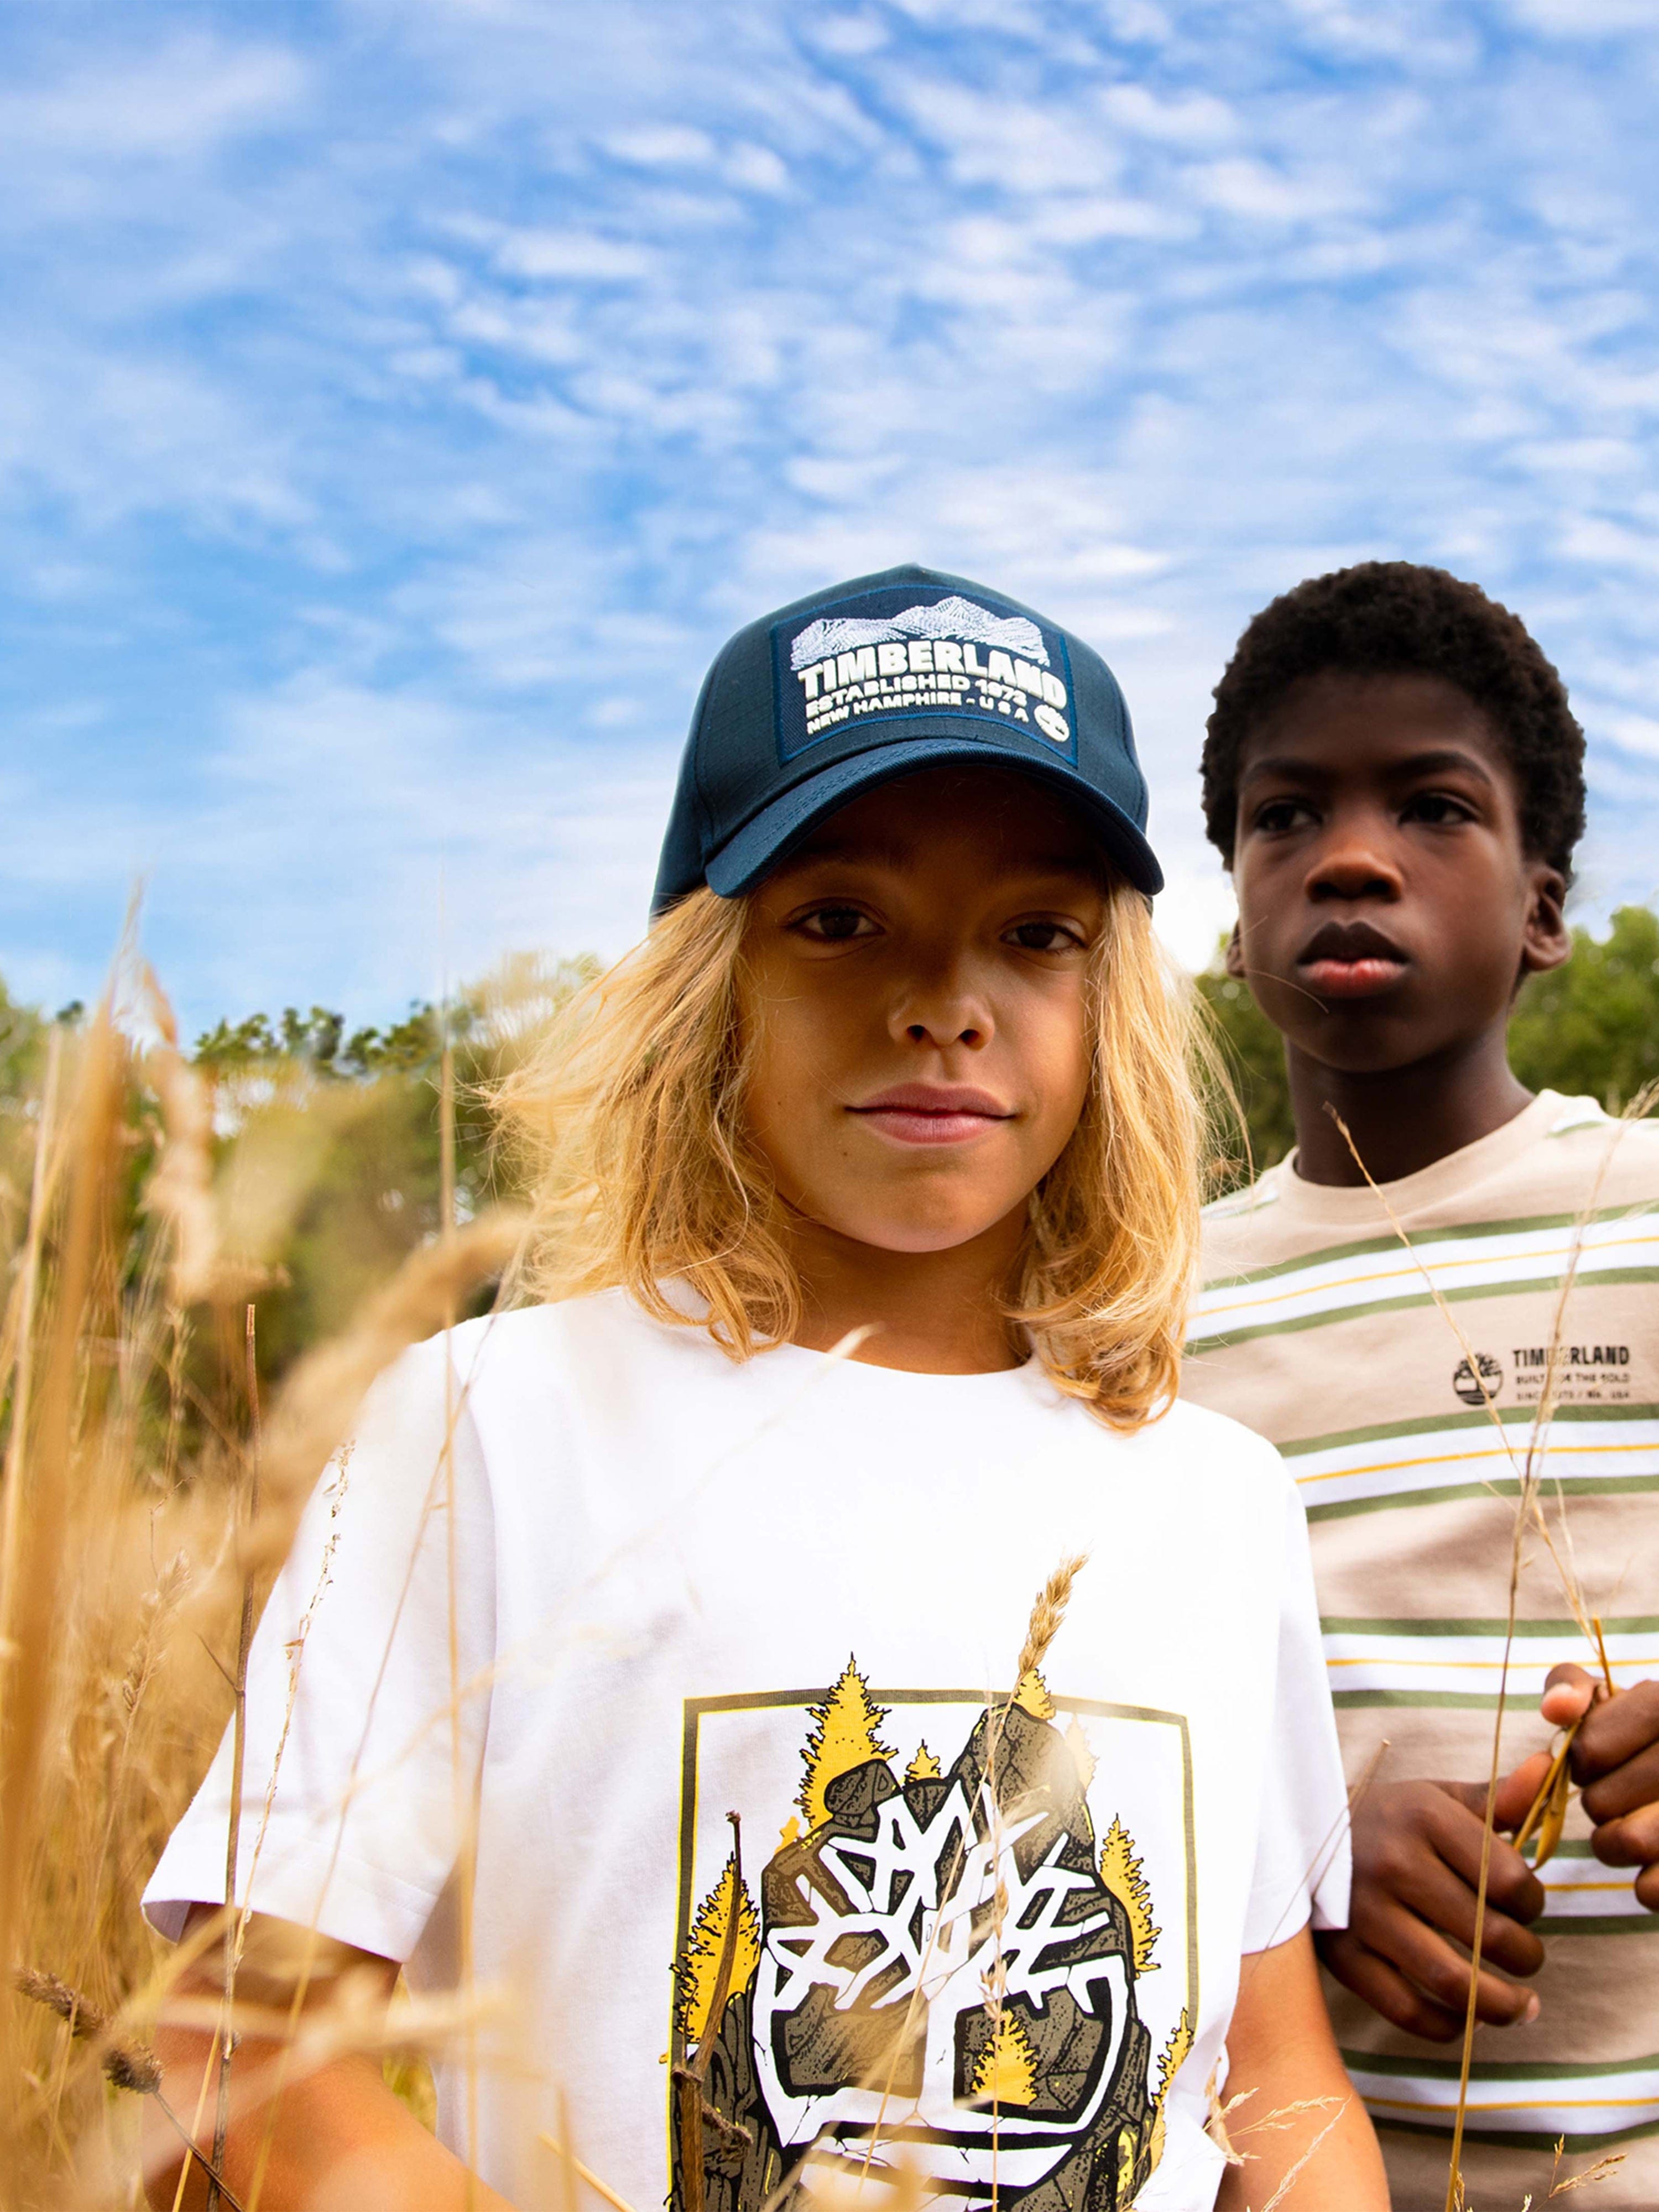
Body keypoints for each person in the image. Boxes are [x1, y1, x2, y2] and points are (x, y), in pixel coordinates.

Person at [144, 563, 1386, 2212]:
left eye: (1035, 935)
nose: (944, 1002)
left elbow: (1274, 2074)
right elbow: (245, 2032)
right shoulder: (493, 1427)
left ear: (1113, 1008)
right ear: (706, 985)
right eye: (839, 919)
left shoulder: (1217, 1495)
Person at [1183, 560, 1659, 2210]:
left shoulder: (1650, 1211)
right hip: (1317, 2167)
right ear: (1234, 904)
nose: (1353, 859)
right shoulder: (1141, 1316)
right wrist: (1313, 1857)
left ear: (1542, 909)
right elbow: (1105, 1728)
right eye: (1284, 817)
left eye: (1434, 810)